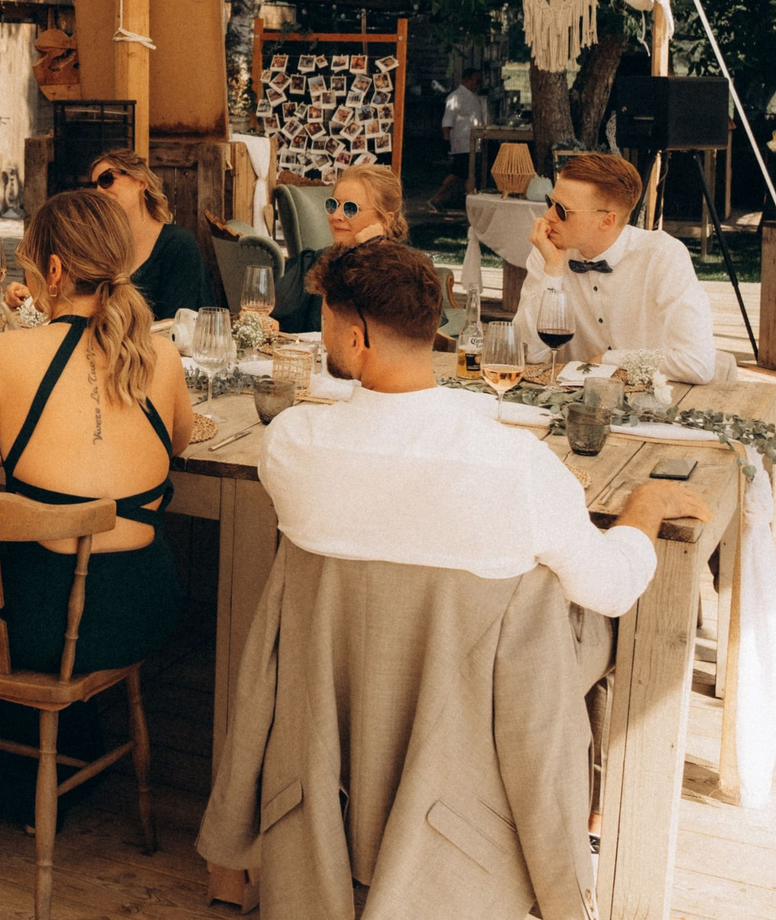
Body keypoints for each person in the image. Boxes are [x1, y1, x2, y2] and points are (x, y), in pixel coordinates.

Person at [0, 187, 198, 833]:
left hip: (38, 627)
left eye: (30, 263)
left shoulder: (10, 354)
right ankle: (46, 776)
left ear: (53, 272)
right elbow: (178, 441)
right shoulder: (160, 356)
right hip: (147, 611)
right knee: (37, 570)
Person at [262, 238, 711, 615]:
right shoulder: (517, 464)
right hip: (477, 697)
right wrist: (648, 503)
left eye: (325, 326)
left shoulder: (290, 441)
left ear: (356, 341)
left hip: (325, 687)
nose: (323, 340)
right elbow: (612, 591)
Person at [515, 153, 717, 387]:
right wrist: (552, 271)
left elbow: (697, 363)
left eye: (562, 210)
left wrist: (609, 359)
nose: (548, 217)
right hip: (570, 403)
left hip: (653, 400)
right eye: (551, 203)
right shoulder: (548, 251)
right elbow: (527, 355)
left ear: (607, 221)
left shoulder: (662, 256)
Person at [274, 161, 408, 332]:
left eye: (350, 209)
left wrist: (375, 253)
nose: (336, 216)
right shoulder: (315, 264)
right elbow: (262, 309)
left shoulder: (406, 275)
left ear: (385, 220)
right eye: (333, 205)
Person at [86, 147, 207, 320]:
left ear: (140, 181)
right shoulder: (96, 246)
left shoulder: (178, 244)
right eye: (93, 186)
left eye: (106, 179)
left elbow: (177, 322)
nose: (99, 191)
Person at [436, 68, 488, 209]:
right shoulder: (455, 97)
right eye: (476, 81)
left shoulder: (474, 97)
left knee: (466, 174)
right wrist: (446, 143)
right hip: (462, 143)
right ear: (468, 80)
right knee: (459, 173)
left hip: (474, 143)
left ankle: (465, 201)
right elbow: (447, 122)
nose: (478, 84)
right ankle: (438, 198)